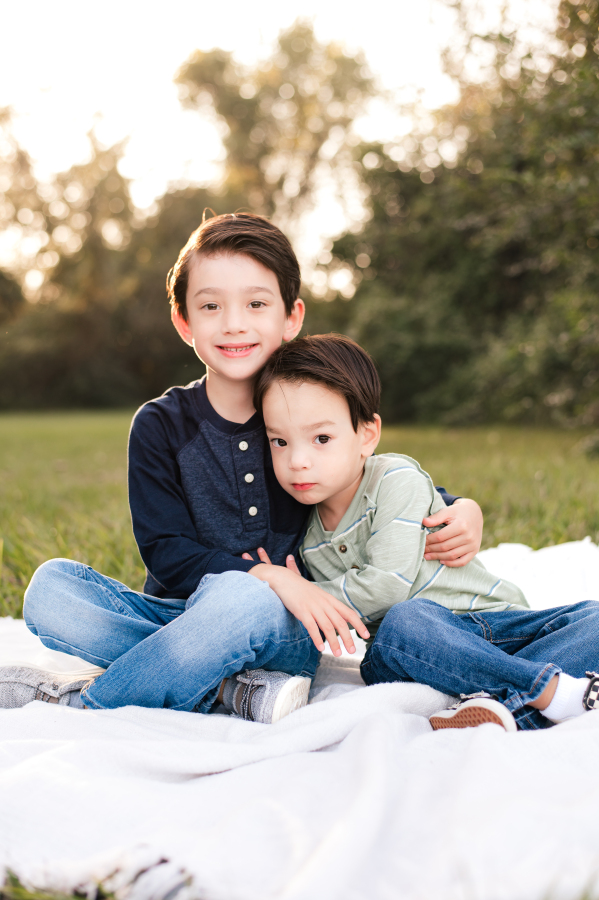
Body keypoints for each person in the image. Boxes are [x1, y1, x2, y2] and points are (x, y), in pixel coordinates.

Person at [0, 214, 482, 723]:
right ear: (184, 321)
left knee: (241, 599)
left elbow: (368, 480)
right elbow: (167, 554)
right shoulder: (160, 425)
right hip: (176, 614)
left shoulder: (303, 410)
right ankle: (231, 688)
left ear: (291, 317)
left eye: (256, 304)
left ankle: (89, 703)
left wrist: (459, 507)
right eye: (211, 306)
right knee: (53, 589)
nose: (234, 323)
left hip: (282, 625)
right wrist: (271, 574)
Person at [248, 333, 599, 732]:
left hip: (494, 628)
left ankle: (506, 706)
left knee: (594, 618)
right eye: (279, 441)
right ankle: (552, 695)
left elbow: (385, 587)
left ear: (367, 434)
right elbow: (370, 617)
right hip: (407, 650)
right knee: (401, 629)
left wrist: (307, 596)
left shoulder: (395, 479)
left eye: (322, 439)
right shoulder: (305, 537)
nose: (298, 461)